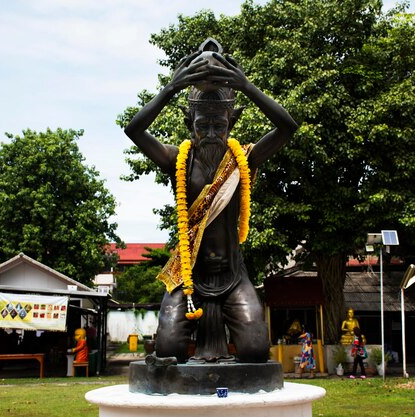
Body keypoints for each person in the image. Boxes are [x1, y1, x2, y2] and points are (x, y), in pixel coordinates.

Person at [124, 38, 298, 364]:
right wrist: (171, 88)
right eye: (203, 125)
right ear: (190, 124)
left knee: (255, 349)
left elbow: (287, 128)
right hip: (188, 276)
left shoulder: (244, 159)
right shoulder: (178, 159)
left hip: (233, 276)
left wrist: (246, 86)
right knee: (169, 350)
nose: (212, 133)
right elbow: (134, 130)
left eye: (219, 124)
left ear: (231, 122)